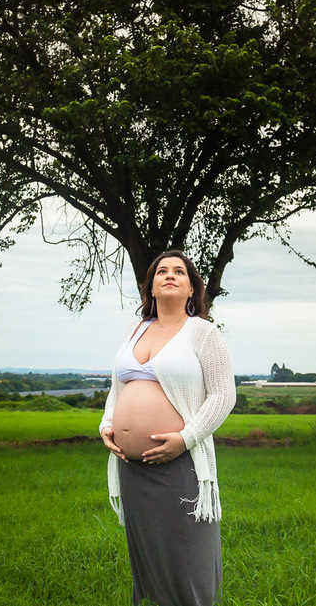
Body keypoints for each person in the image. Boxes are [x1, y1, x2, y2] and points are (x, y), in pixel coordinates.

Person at [99, 250, 236, 606]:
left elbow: (223, 395)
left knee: (187, 557)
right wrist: (107, 424)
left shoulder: (203, 332)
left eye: (179, 271)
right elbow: (117, 389)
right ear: (151, 287)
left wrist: (185, 439)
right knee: (150, 556)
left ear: (192, 288)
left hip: (180, 462)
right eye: (162, 271)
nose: (170, 275)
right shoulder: (134, 330)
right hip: (132, 468)